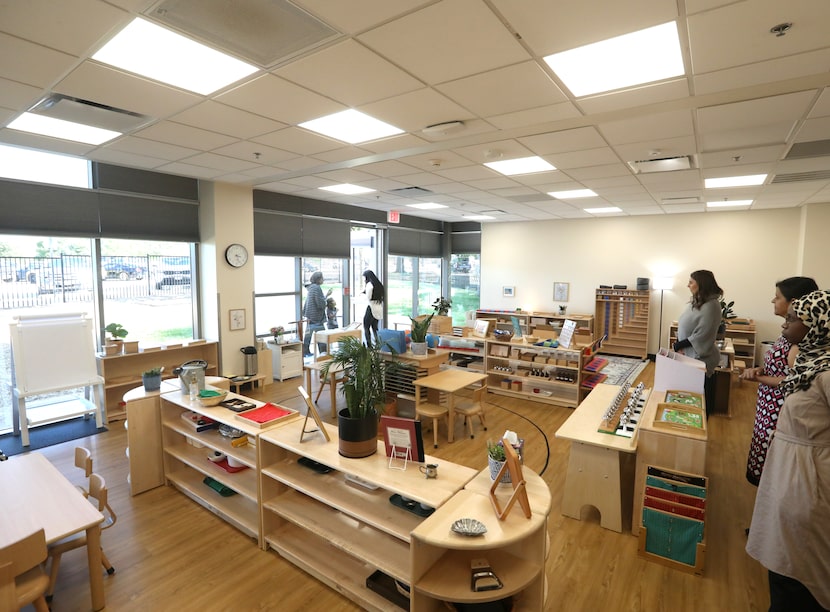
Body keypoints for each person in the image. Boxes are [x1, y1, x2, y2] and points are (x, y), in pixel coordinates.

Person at [746, 289, 830, 611]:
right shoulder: (810, 363)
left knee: (797, 573)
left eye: (794, 319)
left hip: (809, 483)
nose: (785, 324)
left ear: (816, 325)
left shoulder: (825, 372)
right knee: (782, 565)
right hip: (792, 474)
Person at [741, 276, 818, 485]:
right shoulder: (789, 331)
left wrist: (760, 378)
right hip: (768, 405)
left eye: (777, 297)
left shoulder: (800, 339)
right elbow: (779, 365)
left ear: (794, 302)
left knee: (772, 471)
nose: (773, 302)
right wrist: (761, 369)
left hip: (778, 410)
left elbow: (793, 380)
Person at [673, 270, 723, 414]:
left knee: (699, 401)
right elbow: (685, 325)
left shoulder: (712, 305)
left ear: (701, 284)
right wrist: (679, 344)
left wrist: (679, 344)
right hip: (686, 353)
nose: (688, 285)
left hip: (701, 358)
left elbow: (702, 334)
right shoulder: (697, 301)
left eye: (691, 282)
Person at [302, 271, 331, 357]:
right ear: (318, 279)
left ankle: (305, 351)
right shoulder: (317, 288)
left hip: (310, 315)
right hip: (316, 317)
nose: (323, 280)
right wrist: (326, 299)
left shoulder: (311, 288)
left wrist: (326, 296)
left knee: (308, 336)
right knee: (321, 336)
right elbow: (320, 303)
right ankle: (323, 354)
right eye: (322, 278)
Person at [362, 270, 384, 345]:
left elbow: (368, 297)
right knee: (375, 327)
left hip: (371, 307)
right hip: (379, 307)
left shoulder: (369, 285)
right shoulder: (379, 284)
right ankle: (378, 344)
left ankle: (369, 345)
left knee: (366, 326)